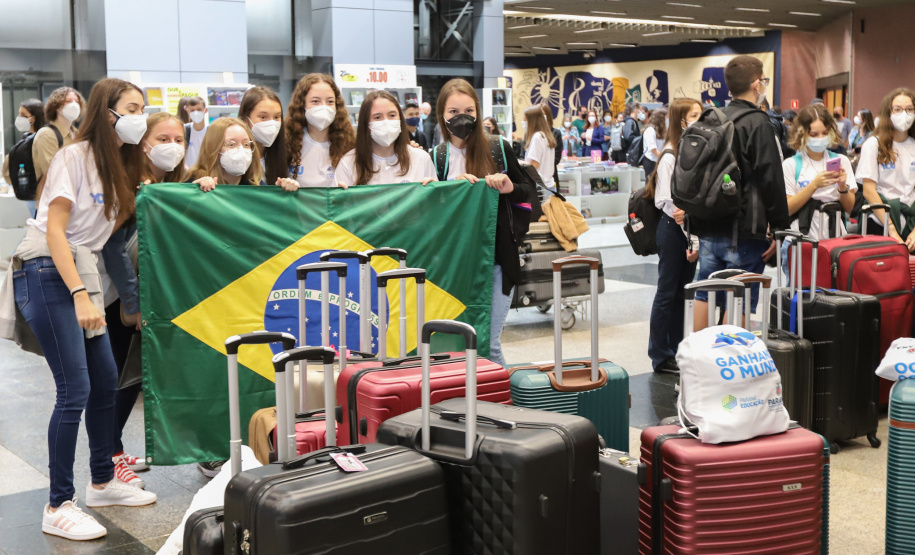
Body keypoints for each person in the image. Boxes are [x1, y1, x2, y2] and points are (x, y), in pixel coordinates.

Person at [2, 77, 157, 542]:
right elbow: (55, 231)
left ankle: (103, 480)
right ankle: (57, 503)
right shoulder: (73, 156)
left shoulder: (120, 166)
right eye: (132, 108)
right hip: (47, 271)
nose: (139, 117)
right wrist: (79, 295)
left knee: (106, 382)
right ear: (106, 113)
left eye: (142, 109)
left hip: (78, 274)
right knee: (75, 389)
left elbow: (108, 241)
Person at [103, 112, 188, 489]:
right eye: (163, 138)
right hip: (116, 298)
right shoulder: (129, 182)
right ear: (144, 142)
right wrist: (134, 302)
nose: (172, 146)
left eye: (179, 139)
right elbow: (115, 250)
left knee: (134, 375)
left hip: (146, 296)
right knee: (118, 377)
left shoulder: (171, 184)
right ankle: (108, 457)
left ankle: (114, 447)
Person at [431, 78, 533, 366]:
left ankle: (502, 404)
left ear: (478, 111)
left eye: (468, 110)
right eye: (453, 112)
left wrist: (508, 186)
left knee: (488, 343)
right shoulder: (437, 158)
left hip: (497, 260)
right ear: (442, 115)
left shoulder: (497, 147)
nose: (461, 117)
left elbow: (528, 193)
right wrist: (451, 189)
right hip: (454, 265)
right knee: (459, 343)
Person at [691, 55, 790, 330]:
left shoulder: (713, 117)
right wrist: (780, 225)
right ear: (757, 84)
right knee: (741, 298)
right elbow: (771, 177)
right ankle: (730, 365)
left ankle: (698, 356)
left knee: (705, 291)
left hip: (709, 225)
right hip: (744, 227)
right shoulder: (757, 122)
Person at [647, 97, 702, 373]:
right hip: (671, 230)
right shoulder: (670, 154)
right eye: (694, 115)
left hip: (687, 230)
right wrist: (689, 232)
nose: (699, 120)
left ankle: (676, 347)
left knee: (683, 293)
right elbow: (666, 201)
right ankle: (659, 354)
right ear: (681, 120)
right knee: (667, 293)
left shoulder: (690, 151)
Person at [781, 104, 857, 272]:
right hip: (800, 240)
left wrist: (842, 186)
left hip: (835, 240)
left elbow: (849, 207)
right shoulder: (791, 164)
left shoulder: (842, 161)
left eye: (824, 133)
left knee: (835, 291)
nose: (820, 138)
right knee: (799, 294)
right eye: (814, 134)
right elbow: (787, 208)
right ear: (802, 134)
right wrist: (814, 185)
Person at [335, 91, 436, 187]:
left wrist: (435, 191)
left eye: (392, 115)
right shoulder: (349, 163)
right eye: (377, 117)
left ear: (400, 119)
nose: (386, 122)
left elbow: (436, 202)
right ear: (366, 124)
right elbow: (340, 203)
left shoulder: (421, 159)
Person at [858, 87, 915, 248]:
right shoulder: (874, 144)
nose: (904, 114)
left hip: (911, 219)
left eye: (909, 109)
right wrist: (892, 231)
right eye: (897, 109)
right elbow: (869, 191)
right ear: (888, 113)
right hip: (880, 220)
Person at [285, 74, 355, 188]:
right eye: (315, 101)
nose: (324, 107)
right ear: (302, 105)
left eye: (330, 102)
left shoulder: (349, 145)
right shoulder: (288, 142)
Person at [32, 87, 85, 209]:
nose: (74, 105)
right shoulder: (47, 135)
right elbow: (51, 173)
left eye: (76, 101)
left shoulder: (77, 134)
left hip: (75, 201)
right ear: (57, 106)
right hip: (52, 203)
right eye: (68, 101)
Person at [237, 86, 298, 191]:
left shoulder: (284, 154)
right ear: (245, 119)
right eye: (263, 117)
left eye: (276, 117)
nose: (271, 123)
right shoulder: (235, 155)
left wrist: (289, 187)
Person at [185, 118, 264, 191]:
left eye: (246, 144)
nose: (241, 150)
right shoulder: (196, 181)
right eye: (231, 144)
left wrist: (276, 192)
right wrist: (194, 191)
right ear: (213, 148)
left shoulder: (256, 185)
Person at [2, 98, 46, 199]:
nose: (19, 118)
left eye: (24, 115)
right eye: (19, 114)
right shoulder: (24, 141)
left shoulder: (42, 140)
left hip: (37, 194)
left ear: (34, 118)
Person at [522, 103, 557, 191]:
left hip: (541, 188)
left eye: (525, 120)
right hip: (548, 186)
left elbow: (534, 165)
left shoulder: (537, 137)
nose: (523, 123)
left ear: (532, 121)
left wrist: (518, 163)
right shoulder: (545, 135)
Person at [182, 96, 207, 168]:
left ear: (205, 110)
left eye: (199, 109)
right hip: (187, 174)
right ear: (188, 111)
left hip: (206, 173)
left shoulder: (211, 131)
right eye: (192, 110)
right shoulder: (184, 130)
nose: (196, 113)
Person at [641, 109, 667, 176]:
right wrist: (665, 157)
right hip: (651, 161)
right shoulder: (650, 130)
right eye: (666, 118)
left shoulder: (661, 130)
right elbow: (653, 149)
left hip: (658, 160)